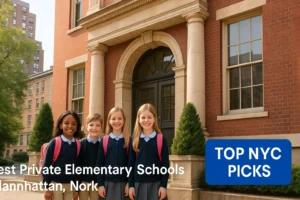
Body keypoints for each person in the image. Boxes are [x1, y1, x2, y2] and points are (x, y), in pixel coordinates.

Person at [128, 103, 169, 200]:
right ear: (138, 119)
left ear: (154, 119)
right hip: (138, 185)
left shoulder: (161, 139)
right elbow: (130, 165)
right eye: (143, 117)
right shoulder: (134, 140)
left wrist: (163, 186)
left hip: (156, 185)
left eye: (149, 117)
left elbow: (165, 165)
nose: (146, 120)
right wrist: (130, 185)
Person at [43, 111, 82, 200]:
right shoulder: (54, 143)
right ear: (61, 125)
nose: (70, 126)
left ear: (77, 127)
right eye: (66, 123)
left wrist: (77, 189)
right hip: (56, 185)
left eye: (73, 124)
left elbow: (78, 169)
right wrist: (47, 187)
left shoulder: (78, 145)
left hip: (70, 186)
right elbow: (46, 166)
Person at [97, 107, 130, 200]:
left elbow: (131, 164)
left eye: (120, 118)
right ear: (109, 121)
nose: (117, 121)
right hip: (107, 184)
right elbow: (99, 164)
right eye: (113, 118)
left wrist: (129, 183)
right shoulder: (104, 140)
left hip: (124, 185)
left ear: (124, 120)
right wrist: (100, 184)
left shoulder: (128, 140)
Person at [78, 113, 103, 200]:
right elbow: (78, 164)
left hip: (97, 183)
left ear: (101, 127)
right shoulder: (81, 143)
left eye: (97, 125)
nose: (94, 128)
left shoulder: (103, 144)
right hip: (83, 182)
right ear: (86, 126)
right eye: (91, 125)